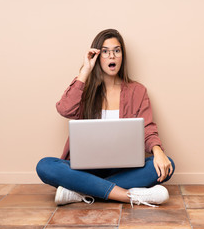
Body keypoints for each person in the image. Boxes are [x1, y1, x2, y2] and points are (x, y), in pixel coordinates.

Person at [36, 29, 175, 207]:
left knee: (167, 164)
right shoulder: (85, 91)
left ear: (122, 56)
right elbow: (65, 109)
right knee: (45, 165)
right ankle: (128, 195)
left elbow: (147, 128)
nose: (112, 56)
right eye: (105, 51)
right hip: (86, 169)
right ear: (97, 56)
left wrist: (158, 151)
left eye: (117, 51)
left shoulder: (137, 91)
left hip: (123, 168)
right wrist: (85, 70)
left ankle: (80, 192)